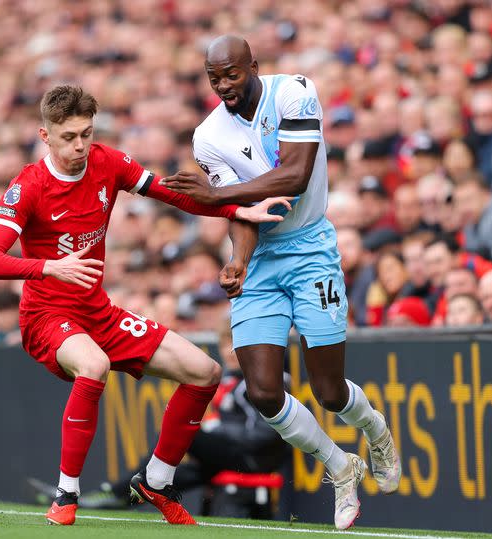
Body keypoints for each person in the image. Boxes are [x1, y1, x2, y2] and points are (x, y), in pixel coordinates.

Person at [0, 85, 289, 526]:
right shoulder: (28, 186)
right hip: (47, 316)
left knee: (205, 372)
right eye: (68, 137)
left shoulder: (108, 161)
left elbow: (171, 193)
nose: (80, 146)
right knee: (95, 365)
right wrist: (49, 268)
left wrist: (235, 211)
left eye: (86, 133)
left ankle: (156, 481)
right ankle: (66, 495)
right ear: (45, 136)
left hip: (96, 312)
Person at [160, 36, 401, 530]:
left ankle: (374, 429)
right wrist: (239, 260)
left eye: (231, 74)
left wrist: (215, 194)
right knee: (265, 392)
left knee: (329, 391)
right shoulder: (208, 137)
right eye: (214, 78)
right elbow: (242, 213)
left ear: (253, 66)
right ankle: (340, 466)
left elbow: (294, 175)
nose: (224, 85)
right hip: (263, 260)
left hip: (312, 250)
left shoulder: (294, 92)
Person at [77, 320, 288, 517]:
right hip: (237, 454)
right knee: (182, 471)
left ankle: (118, 493)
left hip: (254, 458)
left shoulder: (262, 384)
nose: (230, 351)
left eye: (236, 343)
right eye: (225, 344)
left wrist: (217, 430)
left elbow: (267, 433)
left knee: (184, 432)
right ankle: (122, 494)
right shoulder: (233, 379)